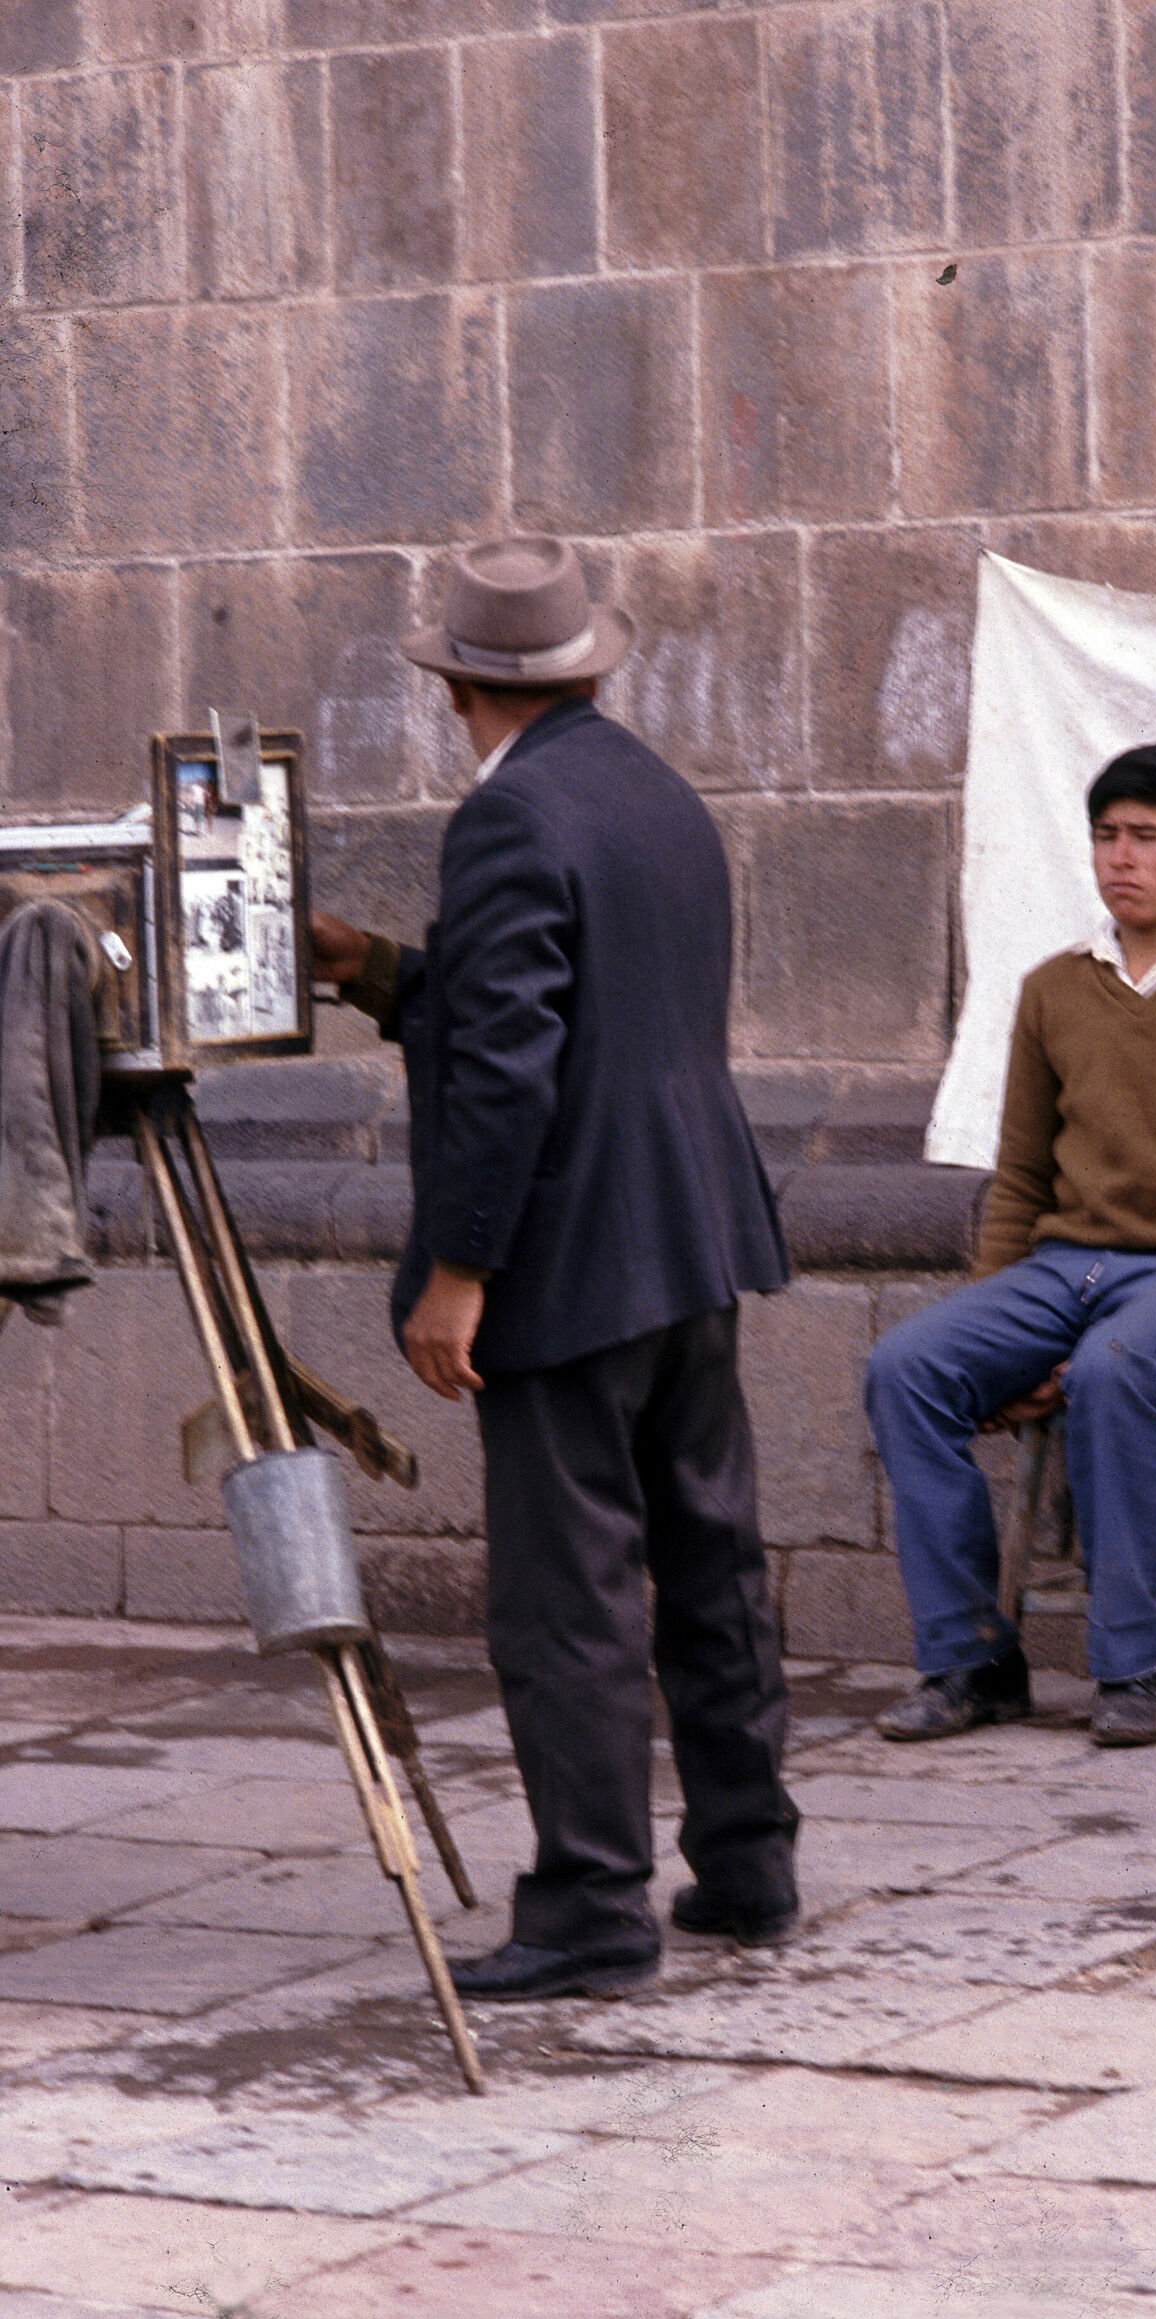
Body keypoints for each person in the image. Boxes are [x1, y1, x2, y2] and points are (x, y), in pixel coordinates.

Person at [311, 536, 799, 1999]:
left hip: (573, 1254)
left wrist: (462, 1268)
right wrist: (380, 971)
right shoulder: (649, 790)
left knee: (568, 1594)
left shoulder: (510, 819)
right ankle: (748, 1862)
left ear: (457, 683)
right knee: (708, 1556)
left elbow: (520, 1064)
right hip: (690, 1231)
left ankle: (591, 1906)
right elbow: (571, 1007)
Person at [865, 741, 1156, 1749]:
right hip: (1057, 1267)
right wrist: (999, 1325)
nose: (1121, 858)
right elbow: (1023, 1175)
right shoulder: (1054, 990)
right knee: (907, 1365)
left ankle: (1129, 1674)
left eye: (1148, 838)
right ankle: (972, 1660)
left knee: (1113, 1369)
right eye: (1105, 836)